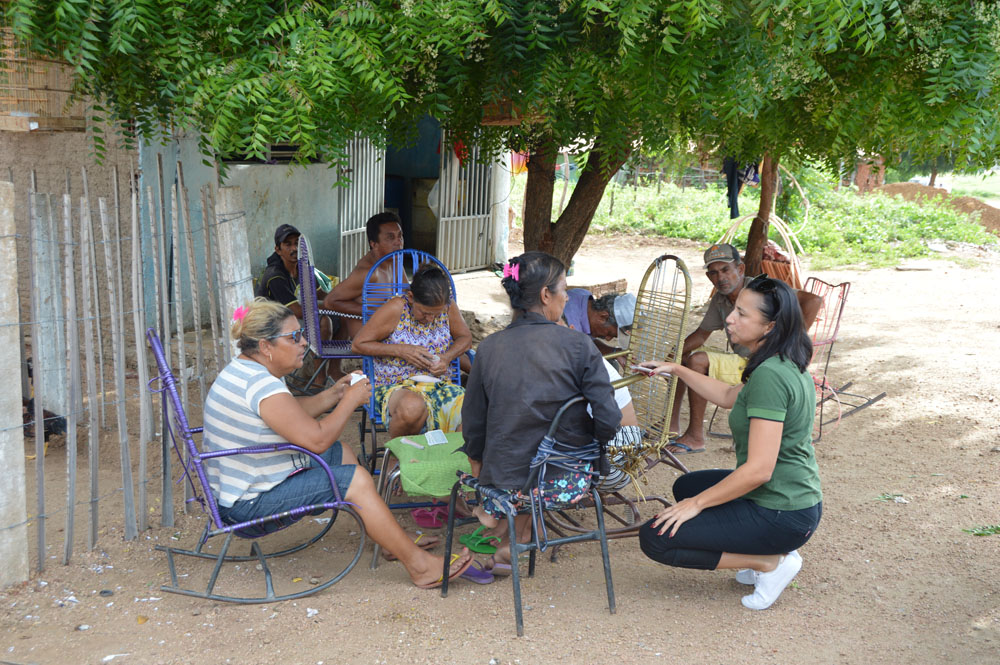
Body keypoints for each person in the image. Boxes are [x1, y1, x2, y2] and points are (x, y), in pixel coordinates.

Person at [201, 298, 474, 588]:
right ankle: (420, 567)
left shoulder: (247, 371)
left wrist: (335, 394)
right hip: (247, 505)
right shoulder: (261, 384)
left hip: (242, 487)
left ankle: (389, 541)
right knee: (353, 480)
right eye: (294, 337)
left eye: (301, 333)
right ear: (266, 346)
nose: (304, 342)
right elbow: (316, 440)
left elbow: (291, 413)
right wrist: (351, 402)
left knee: (341, 453)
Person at [636, 275, 822, 610]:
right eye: (734, 310)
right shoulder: (778, 361)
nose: (730, 319)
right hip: (790, 499)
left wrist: (698, 505)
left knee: (656, 538)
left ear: (770, 326)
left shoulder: (770, 376)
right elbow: (726, 395)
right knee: (688, 486)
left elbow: (759, 471)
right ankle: (762, 551)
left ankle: (769, 562)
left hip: (783, 512)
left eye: (742, 314)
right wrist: (676, 369)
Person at [460, 252, 621, 572]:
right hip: (568, 482)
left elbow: (473, 425)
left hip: (502, 487)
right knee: (539, 454)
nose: (567, 296)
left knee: (519, 453)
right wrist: (588, 450)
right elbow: (610, 419)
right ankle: (517, 541)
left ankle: (509, 532)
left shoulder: (489, 349)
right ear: (546, 295)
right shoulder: (579, 346)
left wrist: (481, 478)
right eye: (564, 289)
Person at [666, 243, 821, 454]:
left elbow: (813, 300)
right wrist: (674, 353)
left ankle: (695, 436)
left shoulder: (759, 290)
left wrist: (792, 341)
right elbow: (702, 334)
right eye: (713, 273)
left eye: (725, 270)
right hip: (743, 360)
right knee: (682, 358)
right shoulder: (720, 299)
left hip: (759, 362)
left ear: (740, 269)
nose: (720, 278)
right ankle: (671, 424)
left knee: (696, 361)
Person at [352, 264, 472, 438]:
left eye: (436, 314)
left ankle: (448, 459)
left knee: (472, 410)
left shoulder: (447, 306)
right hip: (395, 385)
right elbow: (358, 344)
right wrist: (400, 350)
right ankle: (397, 459)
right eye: (424, 312)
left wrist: (447, 358)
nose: (430, 319)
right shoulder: (396, 308)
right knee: (412, 408)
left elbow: (465, 338)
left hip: (438, 385)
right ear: (410, 297)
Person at [322, 212, 405, 337]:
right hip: (369, 337)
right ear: (374, 244)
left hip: (391, 331)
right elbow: (329, 301)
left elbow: (406, 292)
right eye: (390, 238)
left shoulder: (394, 260)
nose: (398, 242)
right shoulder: (368, 272)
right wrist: (374, 311)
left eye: (400, 236)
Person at [562, 289, 637, 354]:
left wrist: (614, 352)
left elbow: (588, 342)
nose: (608, 339)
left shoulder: (583, 294)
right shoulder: (569, 327)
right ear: (603, 317)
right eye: (609, 333)